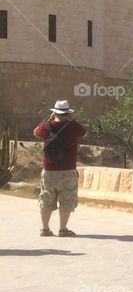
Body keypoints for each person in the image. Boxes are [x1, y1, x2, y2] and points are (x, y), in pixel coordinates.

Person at [33, 100, 87, 237]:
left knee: (46, 198)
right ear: (68, 112)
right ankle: (63, 229)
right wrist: (71, 120)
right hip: (67, 169)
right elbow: (84, 133)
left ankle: (45, 229)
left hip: (49, 169)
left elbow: (35, 132)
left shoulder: (46, 126)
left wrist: (50, 119)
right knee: (67, 199)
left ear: (54, 112)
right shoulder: (74, 127)